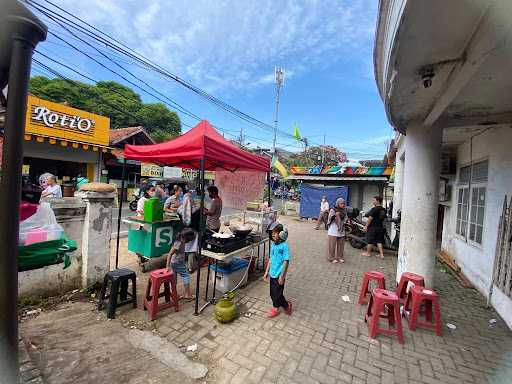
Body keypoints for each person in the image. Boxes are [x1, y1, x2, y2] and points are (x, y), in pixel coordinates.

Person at [263, 223, 292, 318]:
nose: (273, 235)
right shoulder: (273, 245)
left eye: (275, 233)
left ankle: (279, 308)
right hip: (272, 274)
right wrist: (266, 271)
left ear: (282, 235)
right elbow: (271, 259)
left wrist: (282, 276)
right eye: (273, 233)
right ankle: (284, 305)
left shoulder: (284, 246)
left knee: (278, 295)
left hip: (279, 275)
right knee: (273, 293)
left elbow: (286, 261)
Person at [166, 228, 196, 301]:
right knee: (186, 275)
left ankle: (174, 295)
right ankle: (187, 294)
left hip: (175, 262)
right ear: (184, 238)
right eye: (188, 240)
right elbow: (169, 254)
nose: (187, 242)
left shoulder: (180, 240)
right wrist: (167, 266)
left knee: (174, 279)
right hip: (177, 263)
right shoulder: (178, 243)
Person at [326, 197, 347, 263]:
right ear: (337, 203)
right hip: (334, 229)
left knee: (341, 244)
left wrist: (343, 222)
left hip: (342, 228)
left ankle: (340, 257)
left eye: (344, 203)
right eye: (341, 203)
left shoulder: (344, 210)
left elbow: (346, 217)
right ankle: (331, 258)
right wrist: (336, 216)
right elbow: (330, 218)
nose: (343, 205)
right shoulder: (333, 209)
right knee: (332, 244)